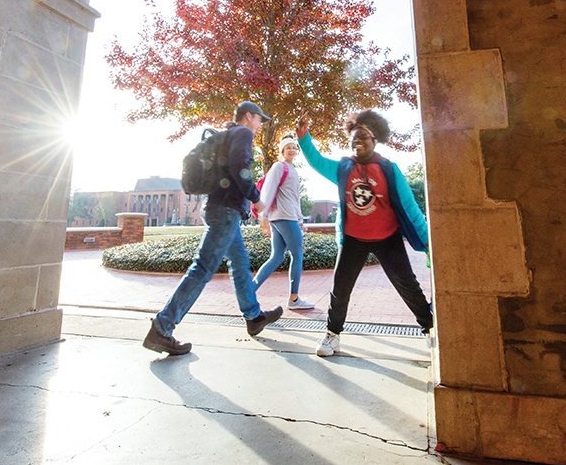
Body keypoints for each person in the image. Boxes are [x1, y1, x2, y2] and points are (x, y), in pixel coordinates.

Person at [143, 101, 284, 355]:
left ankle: (253, 317)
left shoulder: (227, 134)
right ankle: (162, 328)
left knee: (240, 264)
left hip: (221, 209)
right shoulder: (242, 133)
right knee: (203, 268)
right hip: (227, 211)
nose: (260, 124)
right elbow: (239, 166)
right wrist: (255, 197)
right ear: (248, 117)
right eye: (259, 119)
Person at [296, 109, 433, 357]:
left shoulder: (388, 169)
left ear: (374, 140)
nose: (357, 143)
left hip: (387, 239)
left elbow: (410, 207)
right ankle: (332, 335)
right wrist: (304, 137)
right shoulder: (343, 169)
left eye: (363, 138)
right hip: (353, 241)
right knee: (340, 289)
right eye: (354, 139)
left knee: (407, 285)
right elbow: (317, 162)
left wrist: (426, 243)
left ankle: (429, 328)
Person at [252, 135, 315, 310]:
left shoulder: (292, 170)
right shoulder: (279, 166)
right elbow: (268, 191)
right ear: (282, 150)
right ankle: (294, 299)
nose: (292, 150)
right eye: (288, 147)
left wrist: (300, 219)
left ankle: (249, 290)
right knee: (297, 255)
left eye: (294, 148)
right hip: (284, 217)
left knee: (277, 257)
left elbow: (295, 198)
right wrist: (262, 217)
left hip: (286, 217)